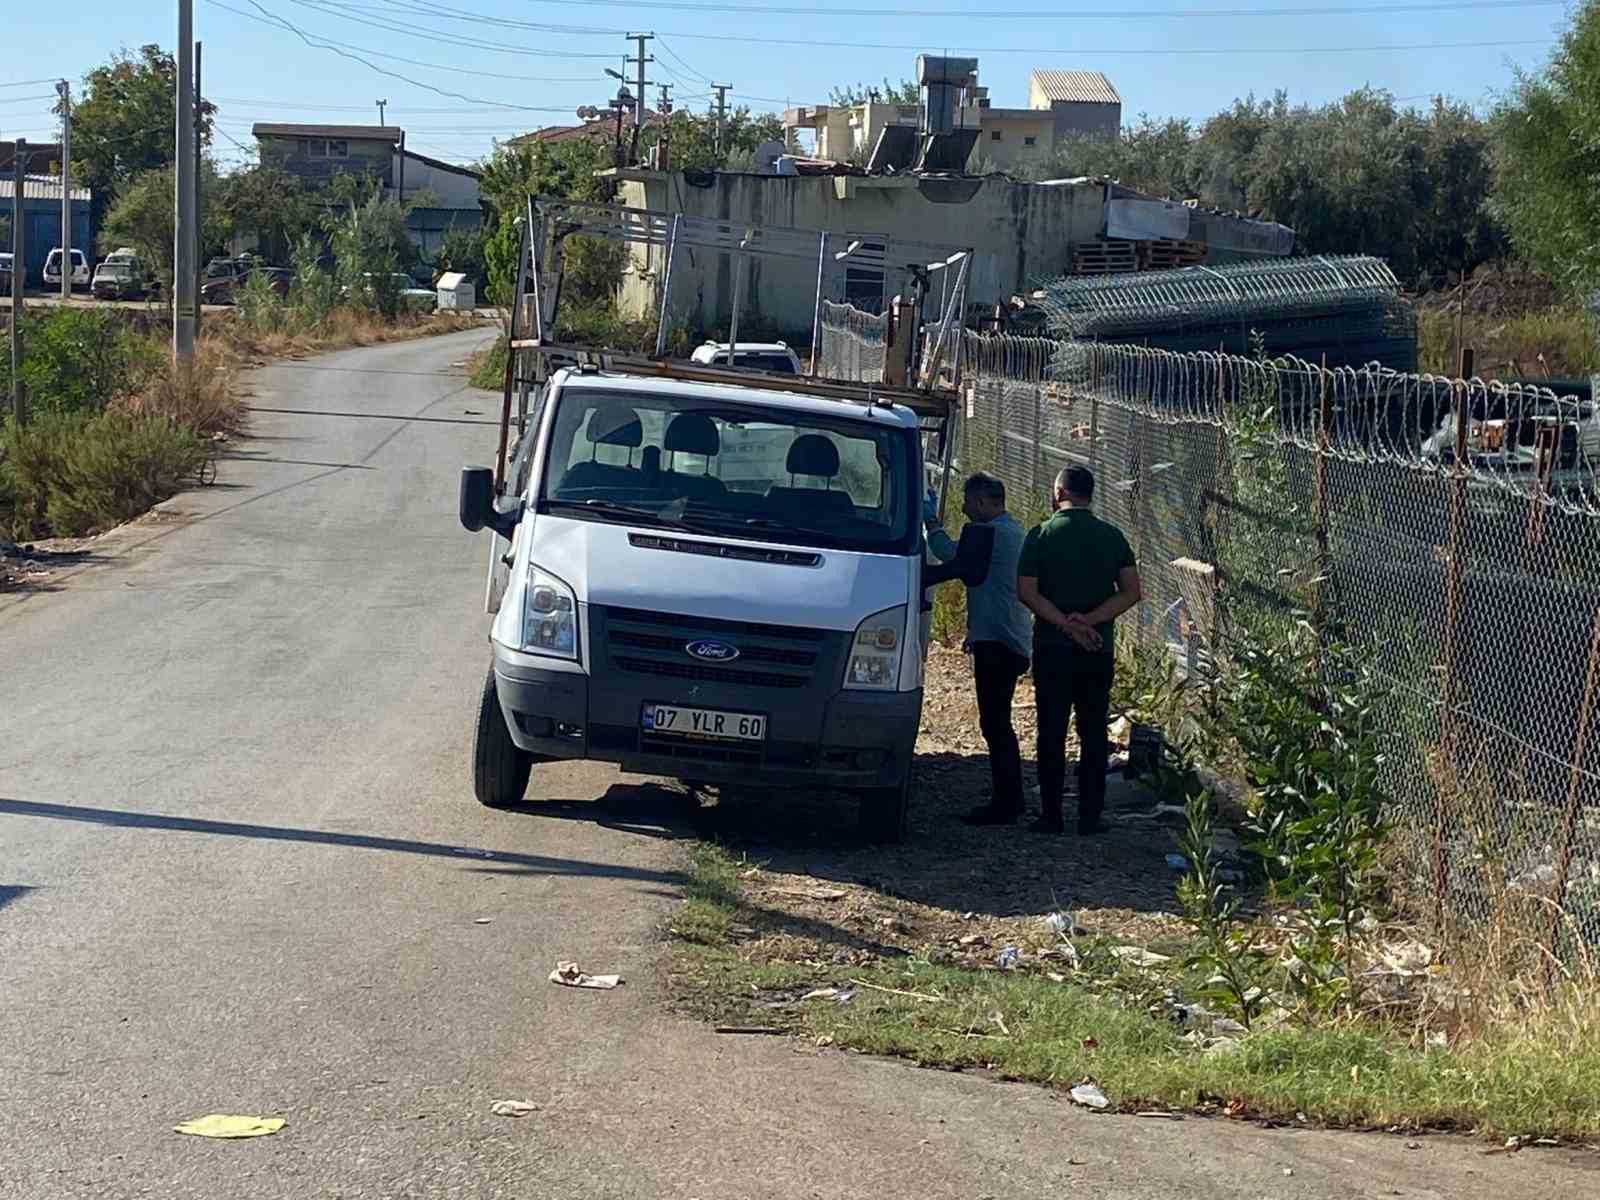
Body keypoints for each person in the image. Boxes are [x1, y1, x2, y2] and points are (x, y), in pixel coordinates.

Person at [1017, 466, 1142, 835]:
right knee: (1093, 731)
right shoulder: (1112, 536)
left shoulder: (1040, 534)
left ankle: (1051, 813)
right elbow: (1132, 591)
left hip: (1053, 647)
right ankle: (1090, 815)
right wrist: (1090, 621)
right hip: (1096, 648)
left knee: (1051, 729)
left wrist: (1063, 623)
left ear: (1058, 493)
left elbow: (1026, 590)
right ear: (1090, 495)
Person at [925, 472, 1034, 825]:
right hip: (1008, 639)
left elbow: (950, 557)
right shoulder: (1013, 533)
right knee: (996, 721)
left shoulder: (991, 535)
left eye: (969, 501)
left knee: (996, 723)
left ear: (985, 503)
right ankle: (1008, 796)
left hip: (998, 642)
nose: (964, 507)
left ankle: (1007, 801)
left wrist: (929, 521)